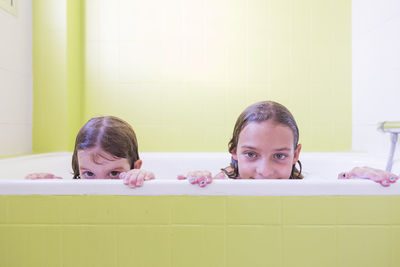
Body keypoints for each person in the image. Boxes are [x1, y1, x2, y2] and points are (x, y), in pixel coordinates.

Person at [178, 100, 302, 187]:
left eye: (279, 156)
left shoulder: (306, 185)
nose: (265, 171)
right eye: (251, 154)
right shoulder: (225, 181)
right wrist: (198, 180)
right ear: (234, 150)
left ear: (295, 155)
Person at [26, 116, 154, 188]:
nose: (100, 185)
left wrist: (143, 180)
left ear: (135, 167)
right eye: (89, 173)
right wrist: (47, 187)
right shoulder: (76, 190)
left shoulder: (137, 185)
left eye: (114, 173)